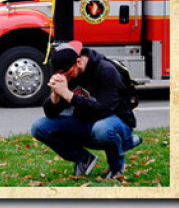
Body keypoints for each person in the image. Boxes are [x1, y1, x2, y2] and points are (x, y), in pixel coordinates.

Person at [31, 41, 142, 179]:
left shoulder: (106, 70)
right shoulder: (68, 72)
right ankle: (84, 159)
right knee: (39, 127)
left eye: (67, 74)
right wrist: (55, 95)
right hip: (87, 123)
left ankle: (116, 167)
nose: (65, 78)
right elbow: (50, 113)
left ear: (78, 62)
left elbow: (103, 110)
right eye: (60, 75)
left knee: (102, 129)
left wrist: (68, 95)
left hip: (116, 121)